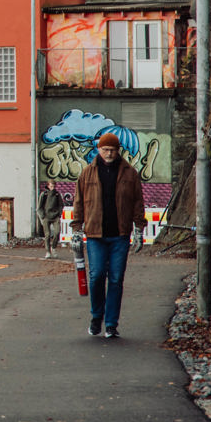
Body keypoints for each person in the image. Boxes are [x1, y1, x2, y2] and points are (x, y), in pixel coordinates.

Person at [70, 132, 145, 339]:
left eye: (112, 150)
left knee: (116, 279)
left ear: (118, 151)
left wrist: (139, 228)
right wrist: (76, 230)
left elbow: (138, 202)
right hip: (95, 235)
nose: (109, 153)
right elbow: (78, 203)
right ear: (99, 150)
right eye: (105, 150)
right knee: (96, 276)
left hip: (120, 235)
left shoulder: (130, 173)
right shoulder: (87, 173)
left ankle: (111, 324)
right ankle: (96, 316)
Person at [36, 180, 65, 259]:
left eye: (54, 186)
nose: (53, 188)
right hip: (46, 216)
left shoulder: (57, 194)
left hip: (55, 216)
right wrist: (42, 216)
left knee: (57, 232)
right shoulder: (44, 194)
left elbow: (61, 205)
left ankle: (54, 248)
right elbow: (39, 207)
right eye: (51, 186)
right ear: (48, 186)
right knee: (47, 235)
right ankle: (48, 251)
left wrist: (59, 213)